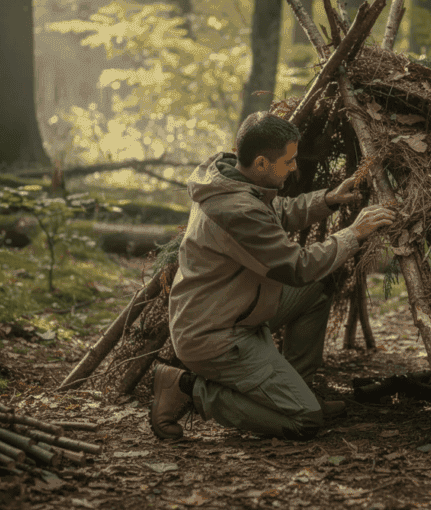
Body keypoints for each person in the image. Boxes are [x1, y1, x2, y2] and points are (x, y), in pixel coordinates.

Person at [150, 112, 396, 441]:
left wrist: (327, 200)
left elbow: (276, 211)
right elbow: (299, 267)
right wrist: (354, 233)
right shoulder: (234, 210)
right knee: (305, 421)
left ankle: (295, 389)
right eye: (289, 161)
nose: (294, 168)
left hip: (237, 311)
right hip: (214, 336)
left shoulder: (234, 182)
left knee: (317, 289)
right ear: (263, 163)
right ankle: (187, 390)